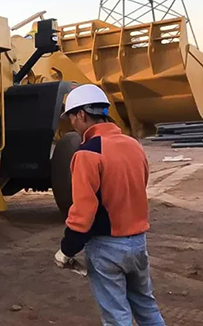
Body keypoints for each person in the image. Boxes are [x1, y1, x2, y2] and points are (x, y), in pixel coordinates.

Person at [54, 84, 165, 326]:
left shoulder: (86, 153)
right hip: (138, 241)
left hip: (107, 247)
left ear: (81, 115)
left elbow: (83, 212)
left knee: (117, 317)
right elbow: (139, 186)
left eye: (72, 117)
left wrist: (67, 249)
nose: (72, 123)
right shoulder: (134, 145)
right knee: (147, 306)